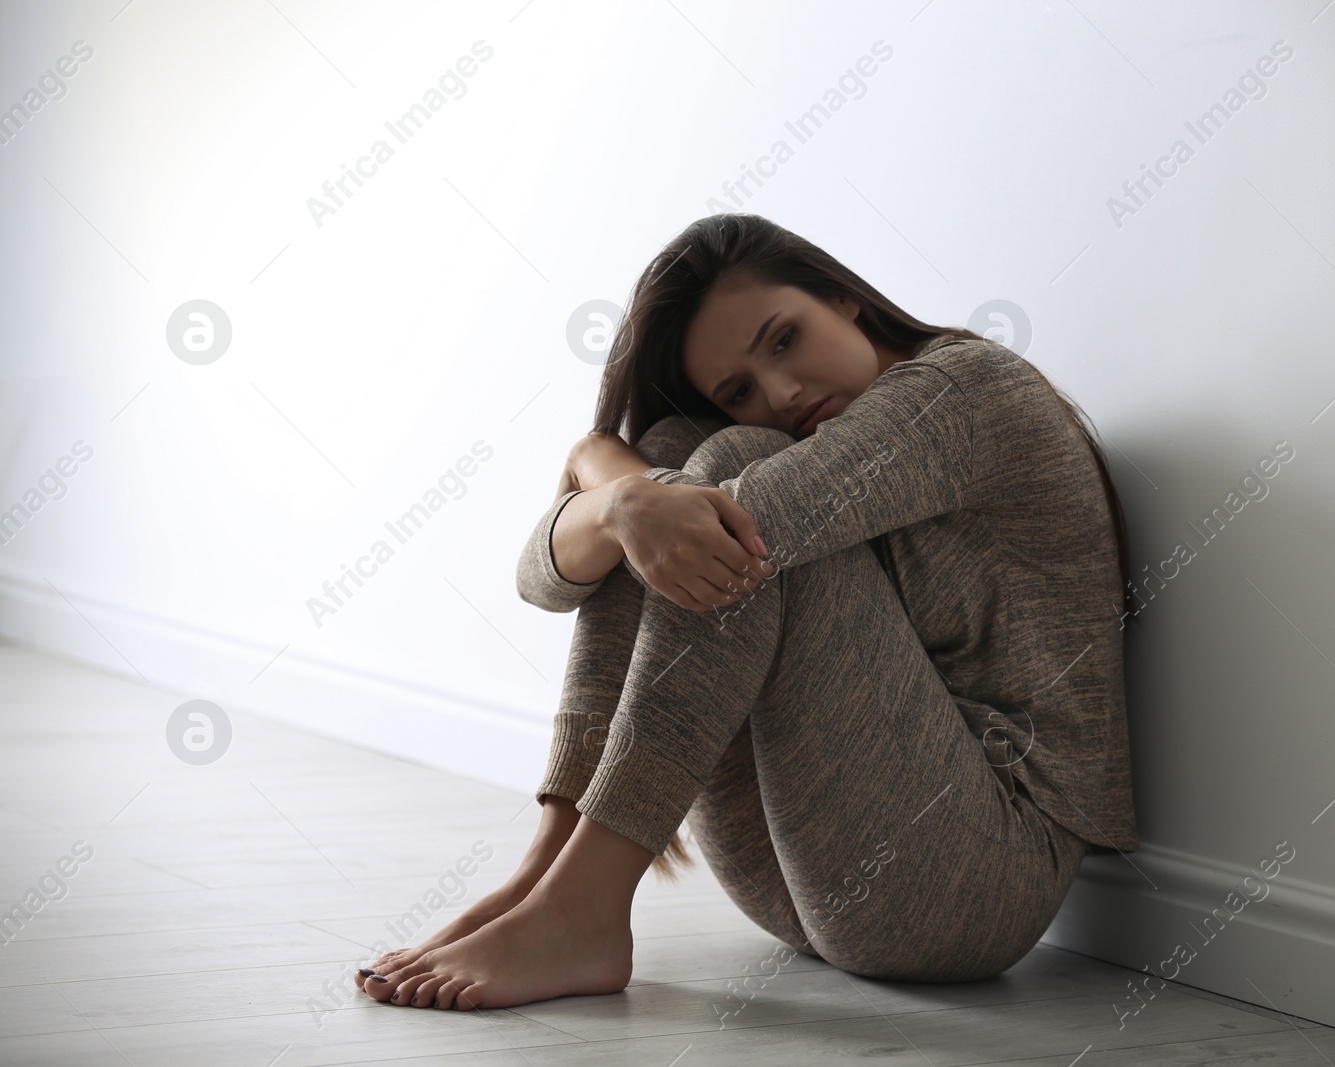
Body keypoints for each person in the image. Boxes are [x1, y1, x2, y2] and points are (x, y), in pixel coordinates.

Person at [354, 213, 1138, 1011]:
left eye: (784, 339)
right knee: (669, 459)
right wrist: (620, 486)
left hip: (977, 880)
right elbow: (542, 580)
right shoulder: (810, 422)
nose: (782, 392)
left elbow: (733, 516)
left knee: (713, 484)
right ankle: (551, 871)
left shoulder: (967, 390)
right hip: (799, 869)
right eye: (740, 389)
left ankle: (580, 903)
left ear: (844, 299)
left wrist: (599, 467)